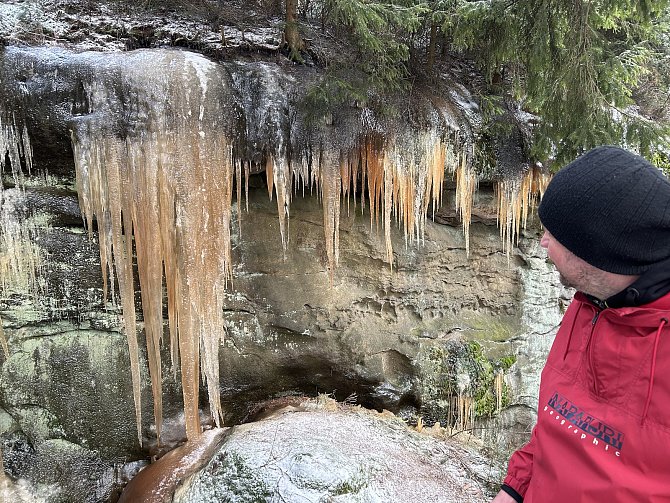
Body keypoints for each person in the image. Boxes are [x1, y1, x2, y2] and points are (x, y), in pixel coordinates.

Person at [492, 145, 670, 502]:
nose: (543, 243)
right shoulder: (590, 302)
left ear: (599, 252)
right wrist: (515, 488)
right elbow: (556, 419)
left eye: (555, 235)